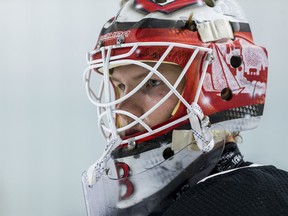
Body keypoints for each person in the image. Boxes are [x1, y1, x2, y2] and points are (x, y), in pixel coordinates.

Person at [82, 0, 288, 215]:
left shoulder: (249, 201)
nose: (124, 110)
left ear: (222, 88)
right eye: (121, 86)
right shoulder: (172, 199)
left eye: (152, 82)